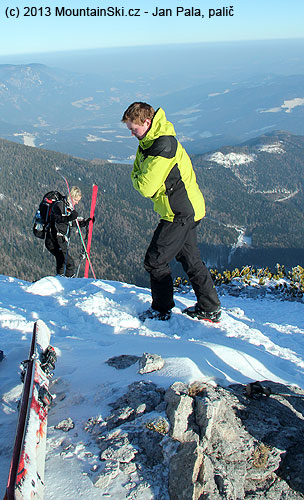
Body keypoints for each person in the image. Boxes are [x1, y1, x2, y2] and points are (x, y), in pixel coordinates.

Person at [122, 102, 221, 322]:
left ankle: (161, 309)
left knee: (155, 260)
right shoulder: (149, 141)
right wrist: (140, 177)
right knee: (190, 260)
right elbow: (138, 172)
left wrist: (139, 179)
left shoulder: (163, 146)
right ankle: (209, 307)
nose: (131, 133)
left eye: (133, 128)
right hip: (186, 209)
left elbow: (145, 186)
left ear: (147, 122)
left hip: (180, 213)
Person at [45, 186, 93, 277]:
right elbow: (57, 219)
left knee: (62, 263)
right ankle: (66, 285)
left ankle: (60, 280)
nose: (77, 202)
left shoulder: (68, 207)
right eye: (76, 200)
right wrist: (70, 217)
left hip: (59, 240)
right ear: (71, 196)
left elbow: (71, 222)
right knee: (70, 264)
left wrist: (85, 222)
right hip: (54, 239)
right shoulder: (59, 205)